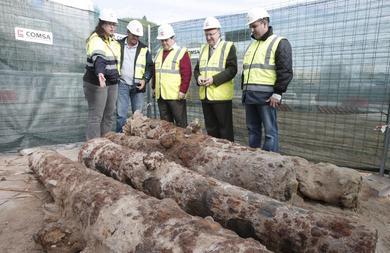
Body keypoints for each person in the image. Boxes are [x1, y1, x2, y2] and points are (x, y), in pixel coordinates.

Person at [242, 8, 293, 152]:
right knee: (253, 129)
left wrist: (278, 93)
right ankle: (254, 157)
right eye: (251, 27)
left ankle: (271, 161)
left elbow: (285, 70)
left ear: (264, 23)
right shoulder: (252, 45)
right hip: (250, 96)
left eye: (254, 26)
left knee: (270, 132)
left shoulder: (279, 42)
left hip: (267, 98)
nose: (252, 30)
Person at [194, 17, 237, 142]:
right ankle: (214, 155)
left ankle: (227, 156)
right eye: (206, 34)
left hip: (221, 98)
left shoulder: (228, 47)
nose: (208, 38)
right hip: (206, 96)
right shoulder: (203, 49)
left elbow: (232, 69)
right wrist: (199, 78)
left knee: (225, 131)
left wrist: (214, 79)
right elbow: (197, 70)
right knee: (211, 130)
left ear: (219, 32)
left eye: (211, 34)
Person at [83, 9, 121, 140]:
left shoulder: (114, 41)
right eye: (109, 24)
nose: (112, 27)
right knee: (96, 115)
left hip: (112, 82)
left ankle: (105, 144)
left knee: (109, 114)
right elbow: (98, 57)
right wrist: (100, 73)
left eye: (114, 24)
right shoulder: (95, 39)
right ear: (101, 24)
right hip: (97, 81)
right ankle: (92, 146)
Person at [116, 20, 153, 132]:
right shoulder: (118, 44)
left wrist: (145, 80)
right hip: (122, 84)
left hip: (138, 87)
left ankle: (136, 139)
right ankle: (120, 138)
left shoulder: (144, 49)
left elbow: (150, 67)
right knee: (121, 115)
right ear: (127, 32)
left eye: (137, 36)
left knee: (138, 117)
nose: (135, 38)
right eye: (133, 35)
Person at [152, 24, 191, 128]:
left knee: (180, 124)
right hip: (161, 95)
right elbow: (155, 71)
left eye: (166, 40)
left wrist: (183, 90)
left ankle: (182, 144)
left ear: (173, 38)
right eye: (162, 40)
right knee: (165, 125)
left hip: (176, 96)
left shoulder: (181, 52)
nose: (164, 43)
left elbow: (186, 74)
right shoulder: (159, 52)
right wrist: (154, 87)